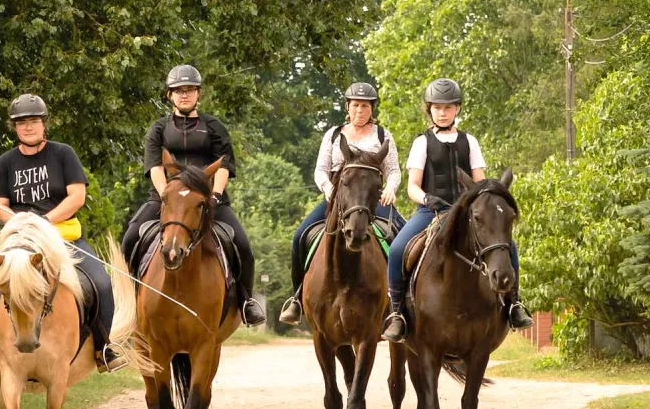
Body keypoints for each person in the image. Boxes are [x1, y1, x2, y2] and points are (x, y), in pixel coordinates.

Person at [0, 94, 124, 373]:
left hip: (62, 236)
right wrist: (20, 222)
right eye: (22, 122)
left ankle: (104, 349)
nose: (28, 127)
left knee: (100, 283)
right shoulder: (6, 161)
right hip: (18, 239)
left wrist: (43, 221)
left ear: (44, 124)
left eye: (34, 121)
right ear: (14, 127)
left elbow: (77, 196)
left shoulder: (63, 154)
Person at [381, 78, 534, 342]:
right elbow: (412, 187)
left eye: (448, 107)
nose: (442, 112)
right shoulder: (422, 142)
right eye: (437, 107)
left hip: (467, 215)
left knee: (508, 245)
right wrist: (427, 199)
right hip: (432, 212)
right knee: (396, 250)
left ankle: (514, 304)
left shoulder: (469, 141)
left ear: (457, 109)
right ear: (429, 109)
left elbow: (481, 183)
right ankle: (397, 313)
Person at [119, 64, 266, 327]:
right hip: (166, 198)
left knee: (242, 244)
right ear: (169, 96)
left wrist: (215, 196)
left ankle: (246, 301)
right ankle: (128, 300)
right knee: (130, 237)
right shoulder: (159, 128)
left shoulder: (214, 127)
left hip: (206, 200)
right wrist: (167, 195)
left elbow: (223, 165)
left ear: (199, 93)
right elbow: (154, 166)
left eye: (189, 90)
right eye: (178, 91)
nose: (184, 95)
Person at [277, 82, 405, 325]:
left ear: (372, 108)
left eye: (365, 106)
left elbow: (394, 171)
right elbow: (320, 170)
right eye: (356, 105)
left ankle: (400, 303)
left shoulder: (382, 135)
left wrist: (390, 188)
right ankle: (296, 298)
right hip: (339, 196)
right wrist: (327, 189)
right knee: (299, 235)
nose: (360, 110)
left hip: (371, 197)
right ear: (348, 107)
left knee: (401, 237)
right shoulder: (334, 135)